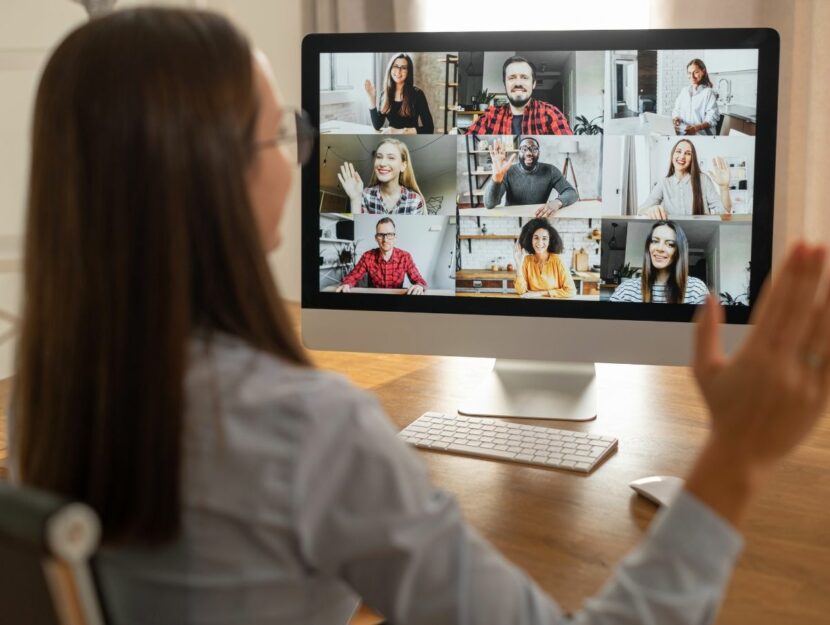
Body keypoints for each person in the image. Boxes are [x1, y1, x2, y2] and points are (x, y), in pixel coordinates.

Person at [11, 8, 830, 625]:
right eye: (286, 136)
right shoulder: (306, 429)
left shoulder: (45, 395)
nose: (300, 159)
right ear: (216, 174)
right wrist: (737, 455)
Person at [467, 56, 573, 135]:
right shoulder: (490, 116)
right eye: (512, 78)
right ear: (505, 83)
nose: (518, 83)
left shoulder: (551, 113)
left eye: (524, 77)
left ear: (534, 83)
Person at [610, 220, 709, 304]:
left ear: (679, 251)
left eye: (670, 244)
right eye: (655, 241)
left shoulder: (696, 288)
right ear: (648, 246)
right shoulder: (627, 289)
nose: (660, 248)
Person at [485, 137, 578, 217]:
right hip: (514, 217)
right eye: (524, 149)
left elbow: (571, 193)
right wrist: (496, 179)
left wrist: (557, 203)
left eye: (534, 149)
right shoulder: (507, 171)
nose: (529, 153)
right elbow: (490, 204)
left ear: (539, 153)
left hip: (537, 216)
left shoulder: (550, 170)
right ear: (519, 153)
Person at [638, 139, 732, 218]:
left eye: (687, 153)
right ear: (672, 156)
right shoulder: (664, 183)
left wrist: (724, 188)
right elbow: (641, 210)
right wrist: (650, 210)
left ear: (692, 159)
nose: (682, 156)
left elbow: (724, 211)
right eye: (678, 151)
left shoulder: (704, 179)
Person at [335, 217, 427, 294]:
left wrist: (419, 286)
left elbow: (419, 280)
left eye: (389, 235)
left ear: (395, 238)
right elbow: (354, 276)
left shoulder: (405, 256)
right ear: (376, 238)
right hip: (374, 301)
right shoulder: (367, 256)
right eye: (380, 235)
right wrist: (346, 283)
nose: (385, 240)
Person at [337, 138, 426, 214]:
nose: (382, 163)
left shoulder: (415, 200)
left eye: (391, 158)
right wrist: (355, 199)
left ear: (403, 165)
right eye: (379, 157)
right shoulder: (365, 195)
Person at [365, 53, 434, 134]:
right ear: (390, 69)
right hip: (391, 140)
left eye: (403, 68)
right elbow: (377, 125)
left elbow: (429, 128)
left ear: (409, 72)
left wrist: (399, 131)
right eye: (395, 66)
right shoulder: (384, 94)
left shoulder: (418, 94)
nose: (398, 71)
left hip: (411, 140)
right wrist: (371, 98)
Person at [513, 218, 576, 298]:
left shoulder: (557, 260)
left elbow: (571, 291)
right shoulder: (526, 260)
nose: (540, 242)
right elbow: (521, 291)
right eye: (536, 238)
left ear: (550, 241)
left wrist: (540, 293)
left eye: (544, 238)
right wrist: (519, 264)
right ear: (530, 240)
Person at [672, 58, 719, 136]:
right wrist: (676, 118)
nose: (692, 76)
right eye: (689, 73)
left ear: (703, 71)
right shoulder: (684, 91)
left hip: (701, 136)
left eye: (696, 72)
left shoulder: (708, 93)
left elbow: (712, 118)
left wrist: (697, 128)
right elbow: (677, 109)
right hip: (684, 133)